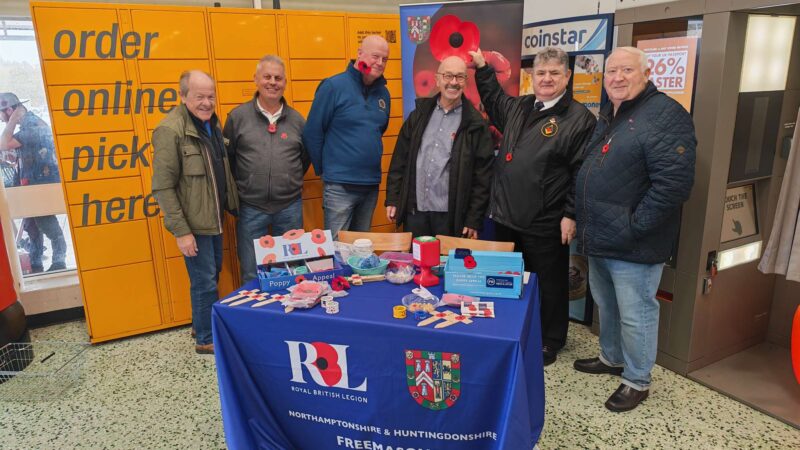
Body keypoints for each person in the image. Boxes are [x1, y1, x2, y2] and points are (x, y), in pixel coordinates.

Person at [573, 47, 696, 412]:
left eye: (627, 70)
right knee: (607, 307)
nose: (617, 78)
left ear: (647, 72)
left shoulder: (665, 115)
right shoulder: (614, 112)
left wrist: (634, 227)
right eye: (611, 71)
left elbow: (673, 184)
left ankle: (637, 380)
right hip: (601, 237)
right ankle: (612, 359)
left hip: (634, 243)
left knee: (636, 313)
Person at [469, 48, 596, 366]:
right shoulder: (520, 105)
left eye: (555, 72)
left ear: (567, 77)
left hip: (546, 217)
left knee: (549, 281)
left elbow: (582, 171)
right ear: (532, 77)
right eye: (541, 73)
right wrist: (483, 68)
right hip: (507, 214)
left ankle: (550, 339)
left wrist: (570, 214)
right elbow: (494, 99)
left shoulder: (579, 119)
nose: (547, 78)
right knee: (513, 278)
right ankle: (517, 328)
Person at [152, 71, 239, 355]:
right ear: (183, 96)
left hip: (213, 218)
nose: (206, 102)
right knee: (204, 281)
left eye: (211, 96)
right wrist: (182, 232)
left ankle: (198, 324)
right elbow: (163, 187)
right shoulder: (171, 130)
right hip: (194, 225)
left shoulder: (211, 124)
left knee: (208, 277)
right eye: (199, 96)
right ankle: (205, 338)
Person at [385, 56, 493, 238]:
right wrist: (394, 199)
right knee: (416, 264)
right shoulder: (419, 115)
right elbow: (400, 160)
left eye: (459, 77)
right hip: (415, 211)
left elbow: (483, 177)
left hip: (451, 217)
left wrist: (473, 219)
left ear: (466, 82)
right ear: (437, 79)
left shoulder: (475, 124)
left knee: (446, 265)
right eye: (448, 75)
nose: (453, 82)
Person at [224, 55, 309, 284]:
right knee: (252, 272)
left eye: (278, 78)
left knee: (292, 270)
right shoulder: (237, 118)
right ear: (256, 80)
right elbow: (229, 160)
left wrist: (288, 178)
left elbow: (304, 158)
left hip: (289, 206)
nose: (273, 82)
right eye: (267, 77)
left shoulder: (297, 121)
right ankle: (254, 316)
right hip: (251, 207)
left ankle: (287, 317)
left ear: (285, 82)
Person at [302, 35, 391, 240]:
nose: (379, 63)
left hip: (370, 185)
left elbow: (378, 130)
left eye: (384, 59)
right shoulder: (333, 86)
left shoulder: (383, 95)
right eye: (375, 56)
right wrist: (325, 170)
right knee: (337, 248)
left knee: (361, 249)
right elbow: (312, 132)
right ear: (360, 54)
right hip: (339, 186)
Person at [0, 92, 67, 273]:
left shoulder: (31, 124)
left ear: (9, 110)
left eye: (2, 113)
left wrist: (12, 119)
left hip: (40, 184)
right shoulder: (29, 124)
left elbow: (3, 143)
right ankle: (36, 262)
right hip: (32, 183)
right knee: (32, 226)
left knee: (46, 222)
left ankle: (59, 261)